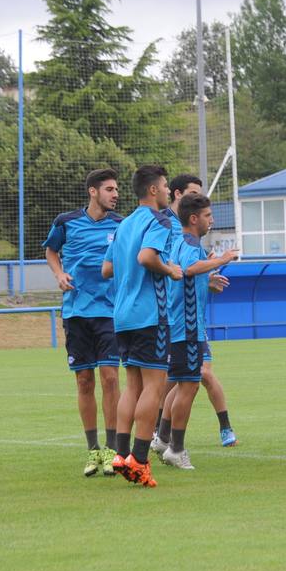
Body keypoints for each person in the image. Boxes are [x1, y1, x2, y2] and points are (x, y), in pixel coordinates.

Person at [102, 165, 181, 488]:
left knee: (132, 384)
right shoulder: (158, 220)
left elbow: (107, 268)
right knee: (154, 386)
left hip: (123, 315)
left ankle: (121, 454)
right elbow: (147, 257)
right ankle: (141, 459)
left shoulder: (124, 225)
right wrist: (170, 269)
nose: (166, 191)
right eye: (164, 186)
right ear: (153, 190)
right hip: (150, 314)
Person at [43, 167, 125, 477]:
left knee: (110, 378)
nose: (115, 194)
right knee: (84, 381)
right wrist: (59, 273)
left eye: (116, 189)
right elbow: (51, 250)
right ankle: (92, 451)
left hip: (108, 311)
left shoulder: (121, 225)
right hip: (76, 312)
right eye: (109, 189)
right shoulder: (66, 222)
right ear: (93, 191)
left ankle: (112, 450)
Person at [152, 175, 238, 449]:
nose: (211, 220)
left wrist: (208, 279)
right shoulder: (189, 245)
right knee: (188, 385)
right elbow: (189, 269)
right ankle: (176, 448)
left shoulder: (182, 244)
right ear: (193, 219)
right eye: (208, 215)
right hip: (186, 328)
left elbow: (188, 274)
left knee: (178, 384)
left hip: (180, 325)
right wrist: (221, 260)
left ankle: (161, 439)